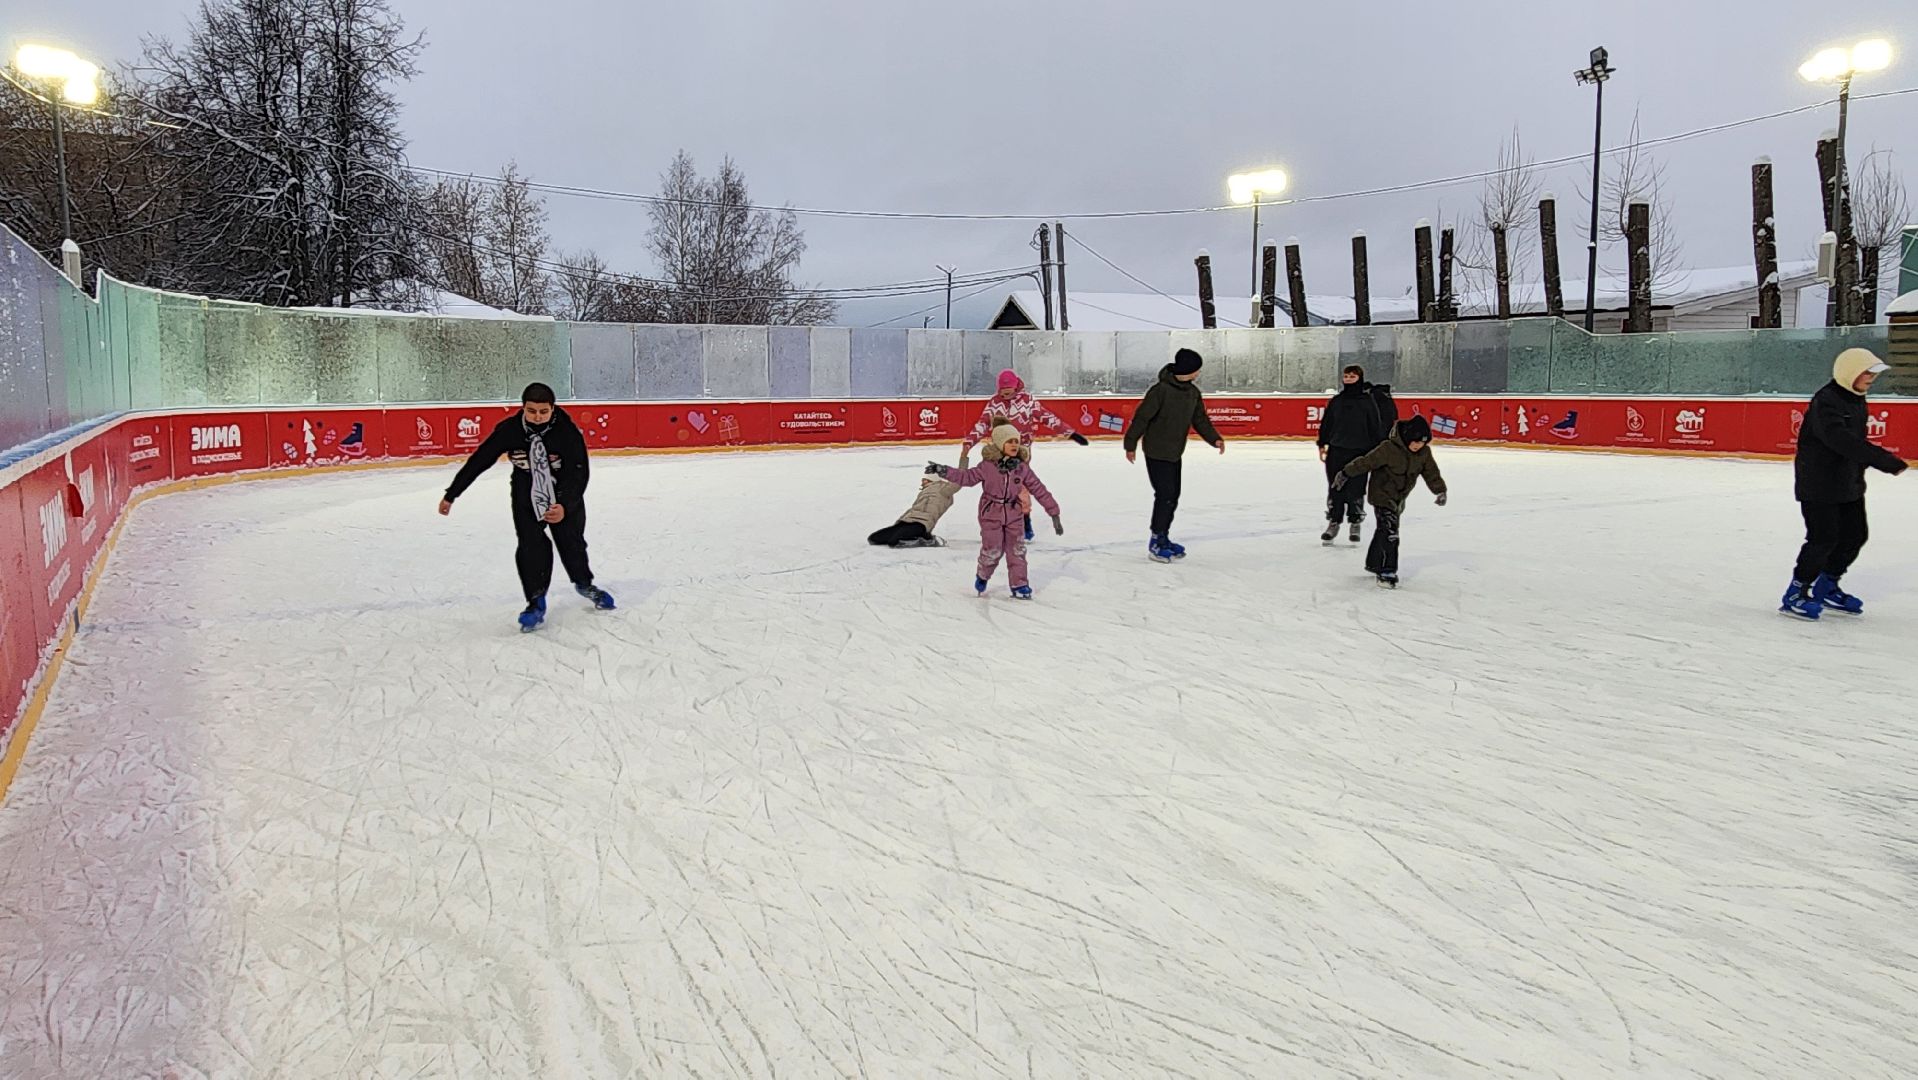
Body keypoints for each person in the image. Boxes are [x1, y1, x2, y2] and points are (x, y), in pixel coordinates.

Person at [440, 382, 615, 631]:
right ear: (523, 408)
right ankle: (535, 601)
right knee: (530, 545)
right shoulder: (510, 430)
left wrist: (564, 504)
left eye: (543, 411)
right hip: (525, 491)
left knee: (571, 542)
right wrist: (452, 494)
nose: (537, 417)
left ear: (552, 409)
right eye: (531, 411)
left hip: (562, 491)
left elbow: (579, 472)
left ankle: (584, 584)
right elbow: (480, 460)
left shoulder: (567, 432)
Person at [1781, 347, 1908, 620]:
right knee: (1823, 539)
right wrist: (1882, 459)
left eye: (1874, 373)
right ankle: (1795, 592)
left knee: (1855, 535)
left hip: (1847, 482)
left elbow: (1854, 443)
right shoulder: (1826, 401)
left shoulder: (1856, 399)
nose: (1871, 378)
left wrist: (1862, 468)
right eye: (1866, 372)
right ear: (1849, 372)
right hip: (1819, 484)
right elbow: (1840, 440)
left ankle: (1826, 586)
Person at [928, 422, 1062, 599]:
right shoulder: (987, 467)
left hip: (1014, 513)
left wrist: (1053, 512)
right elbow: (966, 478)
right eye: (1010, 441)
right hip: (991, 514)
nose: (1014, 444)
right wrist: (944, 471)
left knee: (1017, 550)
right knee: (993, 551)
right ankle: (983, 574)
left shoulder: (1021, 468)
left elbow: (1038, 488)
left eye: (1016, 441)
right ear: (1000, 444)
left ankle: (1020, 585)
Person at [961, 370, 1089, 541]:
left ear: (1015, 387)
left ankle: (1024, 522)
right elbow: (982, 424)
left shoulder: (1027, 401)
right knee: (998, 486)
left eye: (1009, 389)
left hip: (1021, 451)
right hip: (999, 450)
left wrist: (1070, 433)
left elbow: (1047, 417)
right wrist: (968, 443)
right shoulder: (994, 403)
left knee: (1019, 485)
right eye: (1003, 389)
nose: (1006, 393)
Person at [1122, 348, 1224, 562]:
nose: (1198, 373)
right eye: (1196, 369)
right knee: (1165, 495)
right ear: (1188, 369)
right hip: (1156, 452)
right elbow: (1142, 418)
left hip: (1175, 452)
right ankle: (1156, 541)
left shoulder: (1192, 393)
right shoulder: (1160, 391)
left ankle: (1164, 537)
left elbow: (1200, 419)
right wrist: (1130, 443)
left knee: (1172, 496)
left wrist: (1214, 438)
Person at [1335, 413, 1447, 588]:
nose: (1419, 446)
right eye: (1416, 442)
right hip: (1382, 495)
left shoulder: (1424, 453)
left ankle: (1374, 563)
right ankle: (1387, 571)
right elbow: (1366, 462)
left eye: (1423, 443)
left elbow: (1431, 472)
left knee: (1384, 530)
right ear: (1408, 437)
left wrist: (1440, 490)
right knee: (1390, 533)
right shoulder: (1388, 448)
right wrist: (1345, 473)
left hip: (1399, 497)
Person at [1315, 364, 1397, 544]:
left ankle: (1355, 522)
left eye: (1352, 376)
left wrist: (1378, 452)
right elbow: (1327, 423)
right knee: (1336, 487)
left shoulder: (1367, 401)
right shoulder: (1337, 401)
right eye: (1346, 376)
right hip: (1337, 450)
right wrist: (1322, 443)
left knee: (1356, 489)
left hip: (1360, 452)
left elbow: (1375, 426)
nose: (1349, 379)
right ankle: (1334, 521)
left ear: (1359, 378)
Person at [869, 461, 961, 548]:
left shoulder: (943, 490)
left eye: (925, 480)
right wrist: (898, 524)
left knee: (895, 542)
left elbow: (959, 479)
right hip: (906, 522)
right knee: (874, 539)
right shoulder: (923, 492)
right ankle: (913, 535)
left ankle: (927, 539)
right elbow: (913, 510)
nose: (922, 482)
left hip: (921, 524)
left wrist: (964, 456)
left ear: (932, 480)